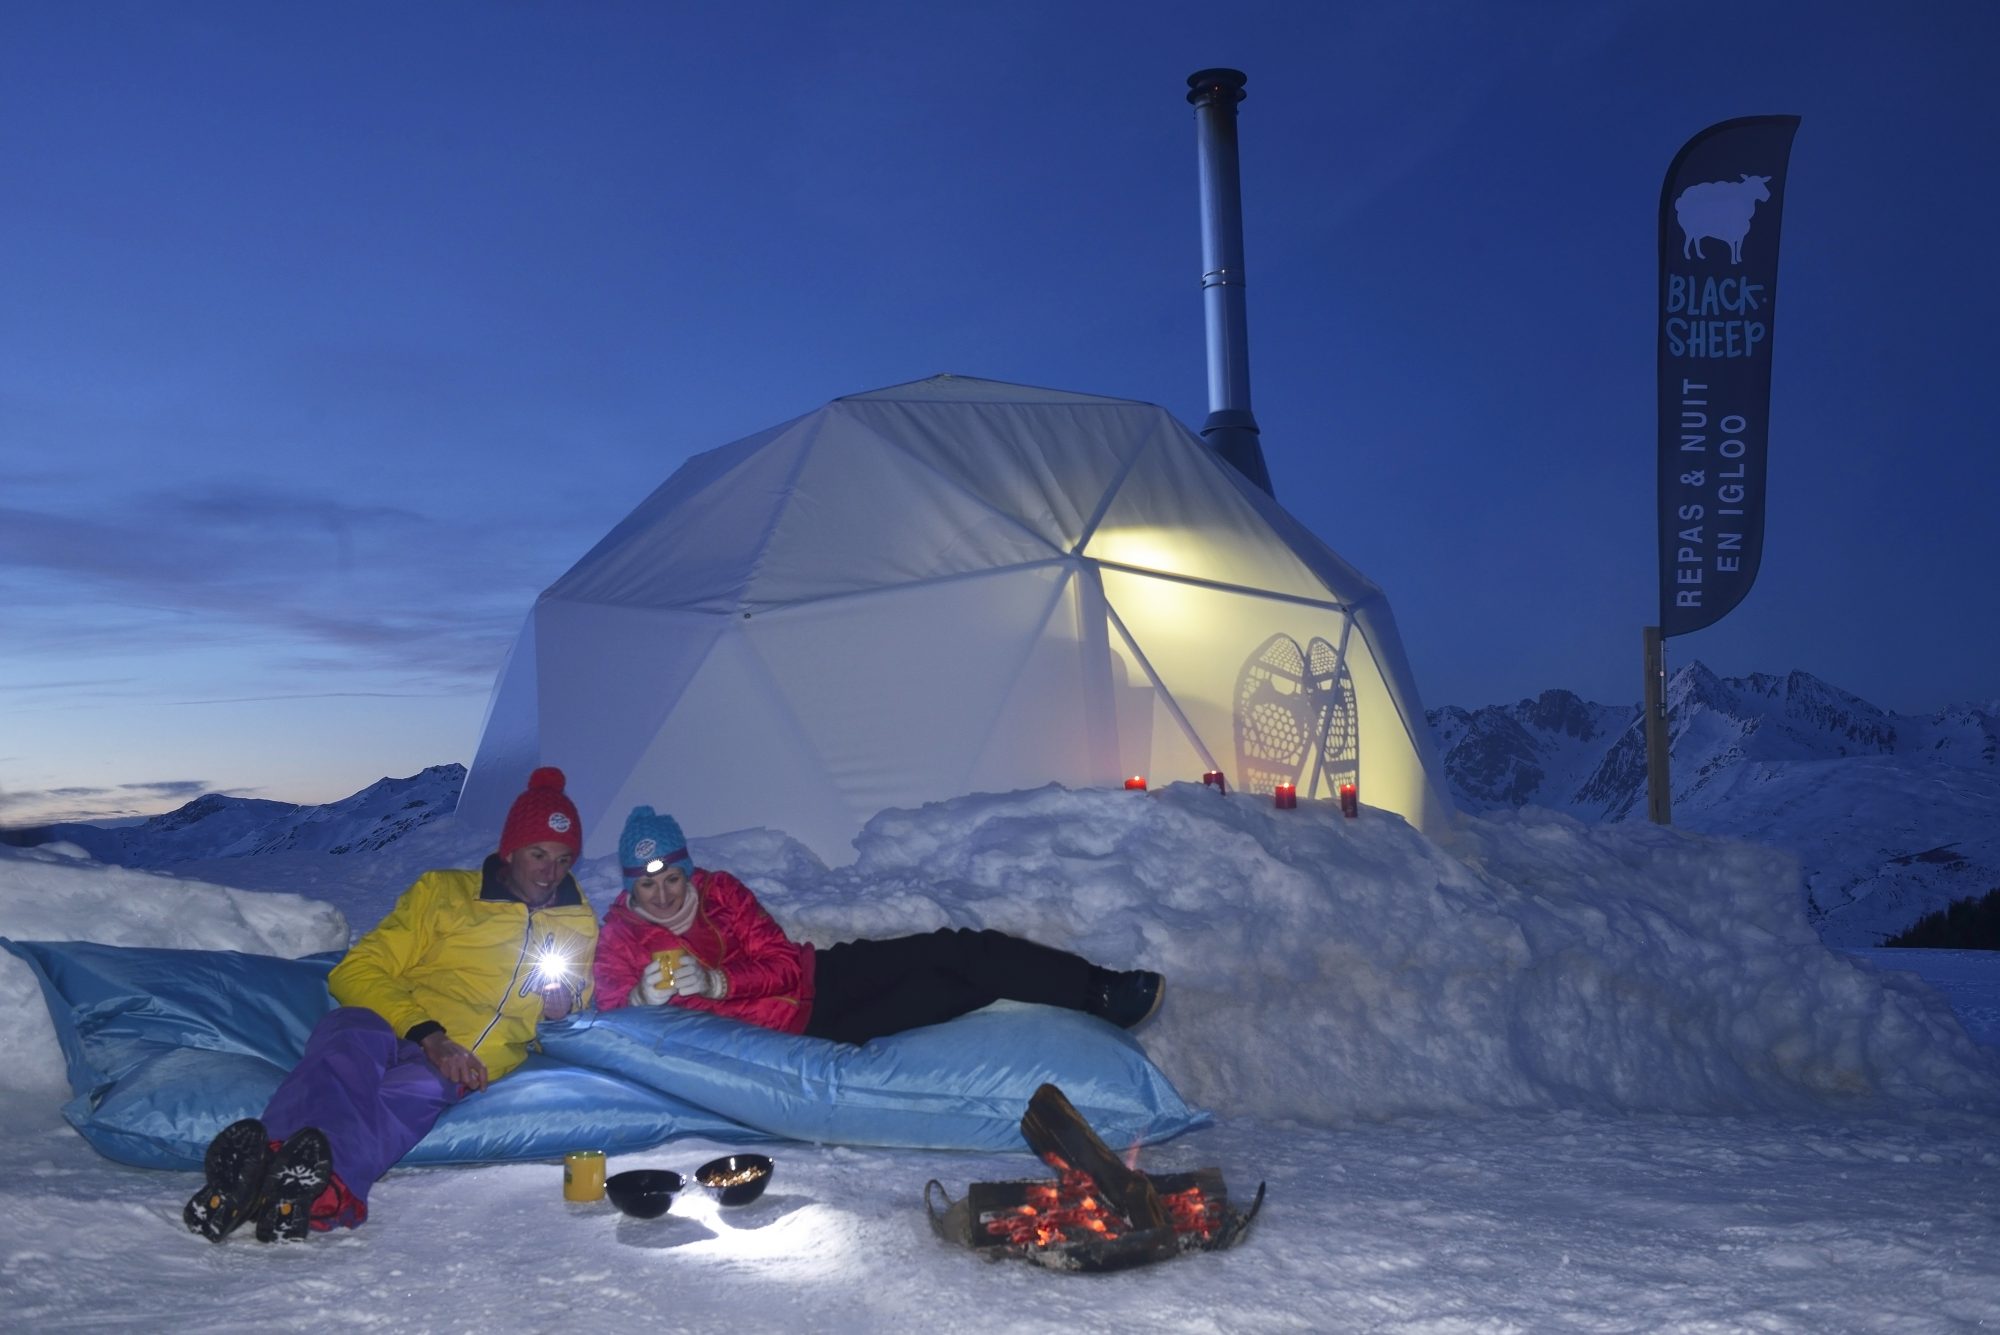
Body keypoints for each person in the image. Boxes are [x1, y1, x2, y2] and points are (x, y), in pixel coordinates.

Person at [183, 767, 599, 1243]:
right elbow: (354, 972)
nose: (550, 873)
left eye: (564, 860)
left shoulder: (580, 922)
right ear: (510, 850)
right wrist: (430, 1035)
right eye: (538, 854)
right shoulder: (444, 894)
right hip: (393, 1022)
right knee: (347, 1048)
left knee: (411, 1094)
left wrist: (566, 1008)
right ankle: (266, 1169)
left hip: (463, 1059)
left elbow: (584, 1008)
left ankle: (304, 1192)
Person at [591, 806, 1162, 1045]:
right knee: (958, 989)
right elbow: (609, 1010)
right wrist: (645, 994)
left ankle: (1102, 989)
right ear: (629, 886)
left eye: (672, 879)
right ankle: (1085, 1020)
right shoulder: (621, 936)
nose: (664, 895)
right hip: (806, 1029)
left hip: (825, 974)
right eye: (647, 884)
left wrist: (718, 982)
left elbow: (783, 961)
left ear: (687, 870)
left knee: (956, 947)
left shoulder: (720, 893)